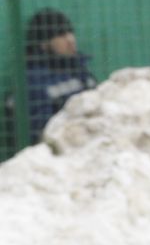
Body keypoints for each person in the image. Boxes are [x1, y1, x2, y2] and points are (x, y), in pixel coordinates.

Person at [14, 9, 98, 146]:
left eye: (70, 32)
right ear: (44, 44)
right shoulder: (34, 81)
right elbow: (43, 134)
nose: (70, 40)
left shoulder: (79, 69)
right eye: (61, 35)